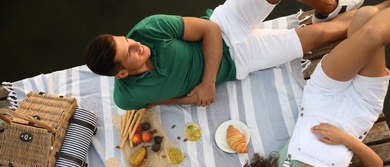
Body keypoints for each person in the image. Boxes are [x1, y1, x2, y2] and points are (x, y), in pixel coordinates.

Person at [223, 1, 390, 167]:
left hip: (325, 92)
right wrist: (345, 140)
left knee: (371, 30)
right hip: (362, 106)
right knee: (365, 17)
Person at [84, 0, 362, 110]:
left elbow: (211, 30)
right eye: (129, 52)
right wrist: (186, 99)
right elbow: (150, 101)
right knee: (324, 35)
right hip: (241, 61)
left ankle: (331, 5)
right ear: (121, 73)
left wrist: (207, 83)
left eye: (127, 39)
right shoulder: (126, 98)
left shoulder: (150, 28)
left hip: (226, 24)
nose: (136, 45)